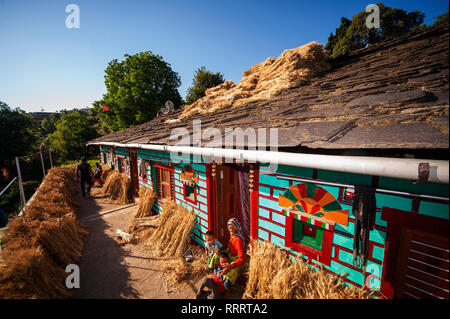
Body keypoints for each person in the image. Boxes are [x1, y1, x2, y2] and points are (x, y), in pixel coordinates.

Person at [209, 217, 247, 292]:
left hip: (237, 259)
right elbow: (229, 249)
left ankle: (226, 284)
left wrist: (231, 265)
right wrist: (220, 251)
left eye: (233, 228)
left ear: (236, 228)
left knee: (232, 269)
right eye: (229, 228)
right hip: (230, 255)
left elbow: (242, 258)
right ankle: (212, 268)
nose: (231, 230)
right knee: (217, 254)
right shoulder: (232, 236)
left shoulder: (238, 240)